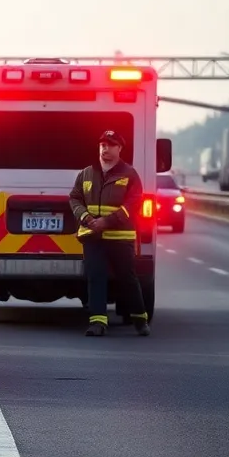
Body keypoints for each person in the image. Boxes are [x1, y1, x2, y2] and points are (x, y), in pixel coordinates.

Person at [68, 130, 150, 337]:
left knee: (127, 279)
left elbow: (133, 203)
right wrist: (86, 218)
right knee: (95, 277)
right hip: (92, 237)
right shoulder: (86, 173)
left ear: (119, 149)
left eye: (110, 145)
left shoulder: (129, 174)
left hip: (120, 238)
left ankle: (140, 318)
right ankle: (97, 323)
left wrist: (107, 221)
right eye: (102, 144)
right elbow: (75, 198)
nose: (105, 148)